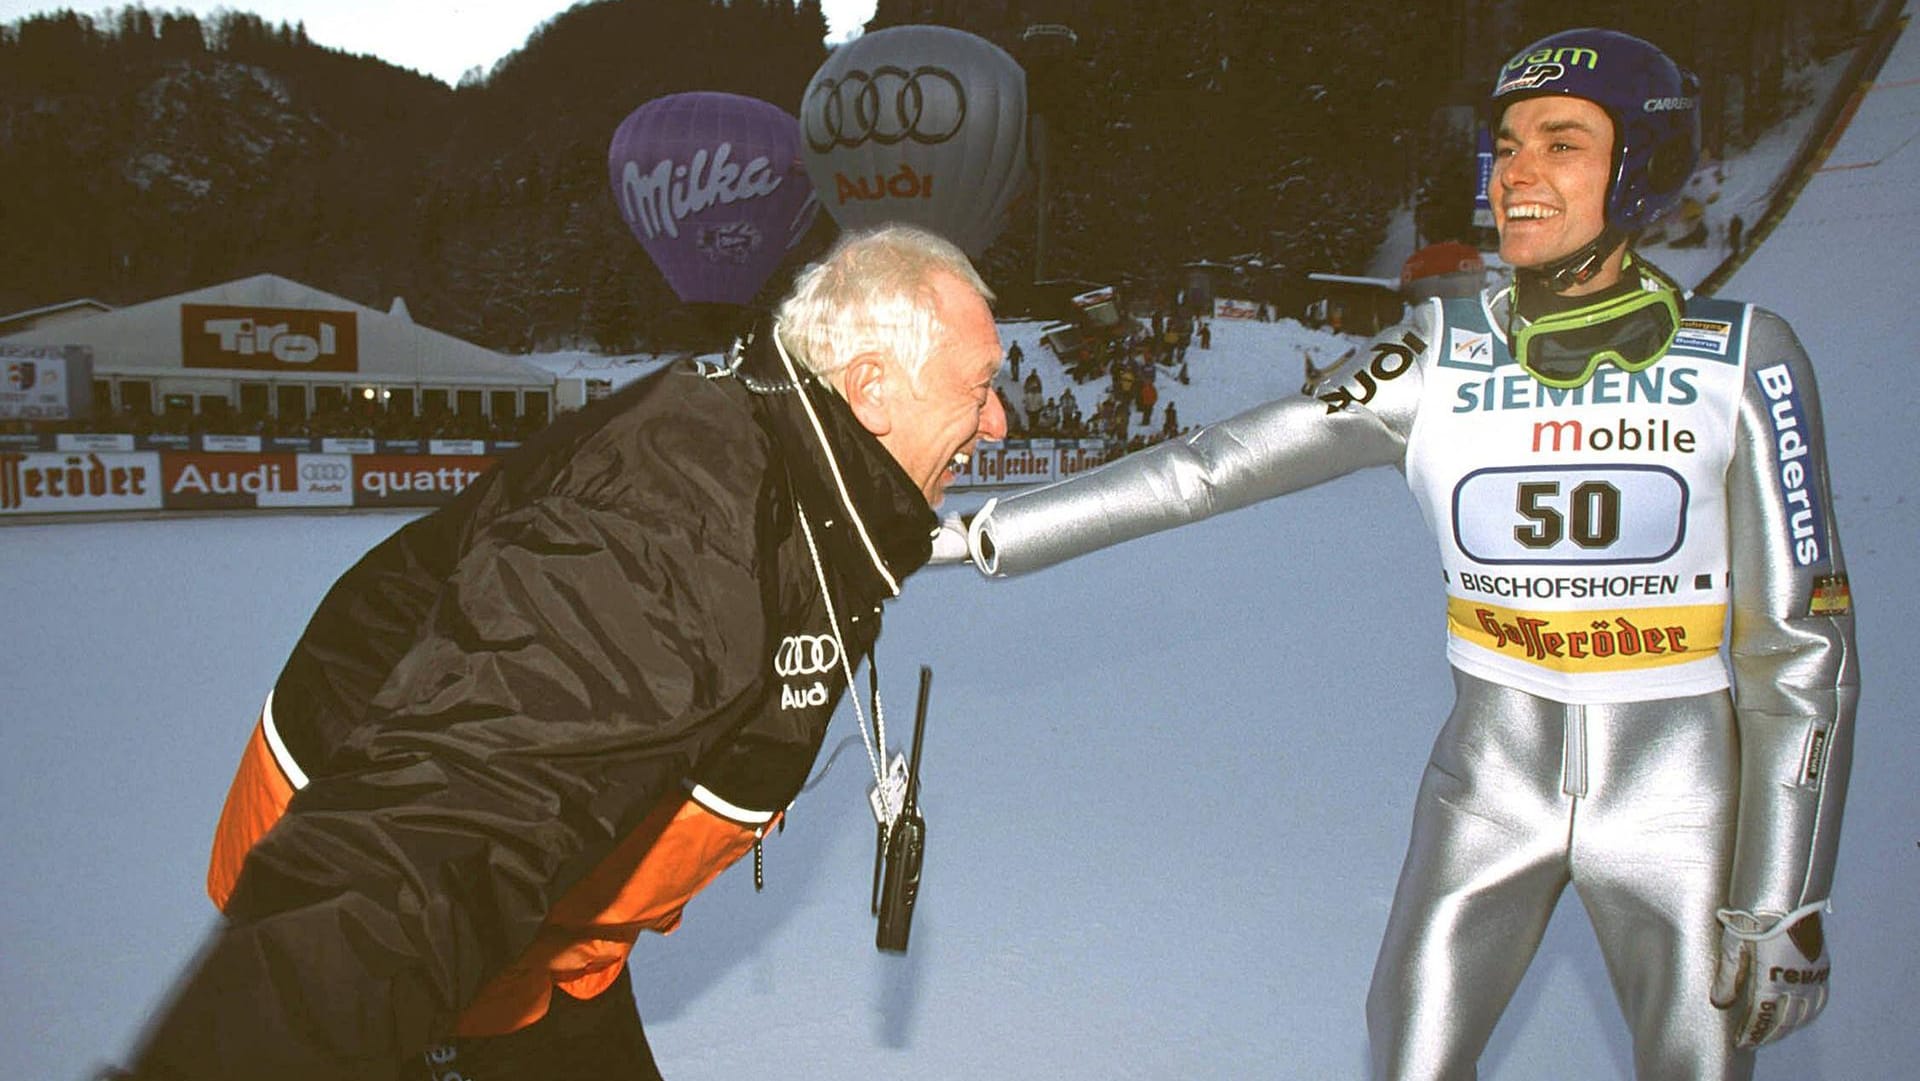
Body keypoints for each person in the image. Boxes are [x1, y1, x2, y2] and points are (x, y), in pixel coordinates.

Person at [951, 28, 1854, 1081]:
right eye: (1507, 143)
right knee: (1409, 1058)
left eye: (1563, 143)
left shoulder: (1743, 360)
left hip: (1681, 806)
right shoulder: (1438, 353)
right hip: (1490, 789)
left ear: (1641, 169)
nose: (1516, 172)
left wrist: (1786, 896)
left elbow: (1804, 654)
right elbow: (1208, 467)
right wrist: (982, 533)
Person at [113, 223, 1008, 1080]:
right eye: (979, 387)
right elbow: (445, 823)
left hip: (544, 932)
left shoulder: (804, 491)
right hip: (404, 933)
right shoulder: (683, 519)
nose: (1000, 421)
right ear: (872, 387)